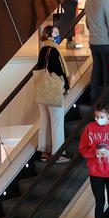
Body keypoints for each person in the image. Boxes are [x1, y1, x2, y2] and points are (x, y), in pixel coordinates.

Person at [35, 25, 71, 163]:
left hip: (42, 90)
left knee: (45, 120)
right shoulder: (54, 50)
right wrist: (66, 85)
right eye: (56, 33)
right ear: (49, 35)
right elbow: (57, 70)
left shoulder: (43, 49)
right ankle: (57, 153)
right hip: (52, 91)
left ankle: (45, 152)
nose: (58, 35)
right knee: (56, 121)